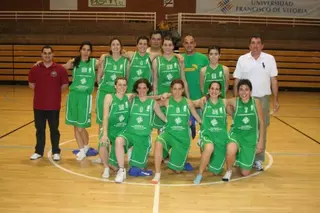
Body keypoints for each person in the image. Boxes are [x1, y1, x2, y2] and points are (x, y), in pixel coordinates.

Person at [233, 35, 279, 171]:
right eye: (253, 43)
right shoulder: (242, 59)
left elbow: (274, 80)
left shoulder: (269, 59)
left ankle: (258, 160)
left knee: (261, 128)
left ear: (262, 46)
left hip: (263, 99)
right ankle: (240, 157)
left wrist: (275, 100)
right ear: (249, 46)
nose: (255, 45)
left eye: (258, 43)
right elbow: (236, 80)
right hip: (245, 99)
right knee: (242, 127)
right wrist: (236, 99)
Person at [113, 78, 167, 183]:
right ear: (136, 89)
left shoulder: (152, 103)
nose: (142, 90)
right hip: (130, 134)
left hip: (143, 137)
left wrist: (170, 122)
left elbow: (161, 115)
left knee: (133, 172)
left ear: (148, 89)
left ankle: (139, 166)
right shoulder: (131, 100)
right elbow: (124, 94)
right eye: (139, 88)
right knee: (119, 140)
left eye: (144, 88)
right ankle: (121, 169)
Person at [151, 79, 202, 184]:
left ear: (183, 90)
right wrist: (164, 117)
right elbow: (152, 104)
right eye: (174, 89)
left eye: (179, 89)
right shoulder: (167, 101)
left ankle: (175, 160)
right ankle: (157, 173)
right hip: (169, 133)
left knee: (177, 170)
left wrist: (202, 124)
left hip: (182, 137)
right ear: (171, 90)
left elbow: (197, 116)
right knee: (158, 142)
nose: (177, 92)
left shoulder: (188, 103)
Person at [28, 45, 69, 161]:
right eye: (45, 53)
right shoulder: (35, 69)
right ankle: (38, 151)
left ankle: (56, 151)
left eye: (49, 53)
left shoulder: (60, 69)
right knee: (40, 129)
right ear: (41, 55)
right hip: (39, 105)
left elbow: (64, 85)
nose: (47, 55)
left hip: (53, 106)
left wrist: (53, 93)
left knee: (54, 130)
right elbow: (31, 85)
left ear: (53, 54)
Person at [222, 79, 264, 181]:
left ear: (250, 91)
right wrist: (232, 114)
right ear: (238, 91)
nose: (244, 92)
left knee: (245, 173)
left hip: (250, 137)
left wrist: (261, 141)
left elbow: (261, 122)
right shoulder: (235, 101)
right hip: (236, 134)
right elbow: (223, 102)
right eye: (241, 89)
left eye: (246, 89)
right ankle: (229, 171)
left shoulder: (256, 102)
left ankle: (240, 157)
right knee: (230, 149)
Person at [64, 41, 100, 161]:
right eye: (83, 49)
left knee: (81, 126)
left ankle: (85, 147)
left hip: (85, 97)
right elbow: (60, 68)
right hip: (73, 95)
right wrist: (41, 63)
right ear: (80, 50)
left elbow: (108, 62)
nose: (86, 52)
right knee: (75, 125)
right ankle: (82, 149)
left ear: (90, 52)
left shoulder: (94, 62)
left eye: (88, 50)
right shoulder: (74, 62)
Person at [192, 81, 230, 184]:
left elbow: (236, 110)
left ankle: (209, 159)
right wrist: (198, 119)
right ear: (208, 90)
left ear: (220, 91)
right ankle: (200, 174)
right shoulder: (203, 102)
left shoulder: (225, 102)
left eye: (217, 89)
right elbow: (189, 103)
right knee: (209, 147)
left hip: (220, 137)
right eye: (212, 88)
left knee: (216, 172)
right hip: (207, 134)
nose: (214, 91)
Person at [152, 36, 189, 130]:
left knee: (177, 125)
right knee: (162, 128)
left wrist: (188, 98)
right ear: (162, 46)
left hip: (176, 97)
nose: (167, 47)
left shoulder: (179, 60)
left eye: (170, 45)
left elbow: (183, 79)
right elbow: (155, 81)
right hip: (162, 97)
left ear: (173, 47)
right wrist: (156, 97)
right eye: (165, 45)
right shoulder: (157, 61)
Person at [99, 77, 130, 179]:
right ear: (115, 86)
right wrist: (104, 133)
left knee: (115, 167)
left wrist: (164, 95)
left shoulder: (129, 97)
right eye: (120, 85)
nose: (122, 87)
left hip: (122, 132)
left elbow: (145, 97)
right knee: (103, 143)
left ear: (127, 86)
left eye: (124, 85)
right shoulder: (109, 97)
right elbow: (105, 116)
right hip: (111, 129)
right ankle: (106, 167)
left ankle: (114, 163)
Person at [181, 35, 209, 139]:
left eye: (191, 42)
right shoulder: (180, 58)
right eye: (186, 42)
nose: (189, 45)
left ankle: (206, 151)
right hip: (185, 100)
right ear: (183, 44)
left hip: (201, 99)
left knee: (205, 127)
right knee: (184, 130)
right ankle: (183, 153)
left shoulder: (203, 58)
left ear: (195, 44)